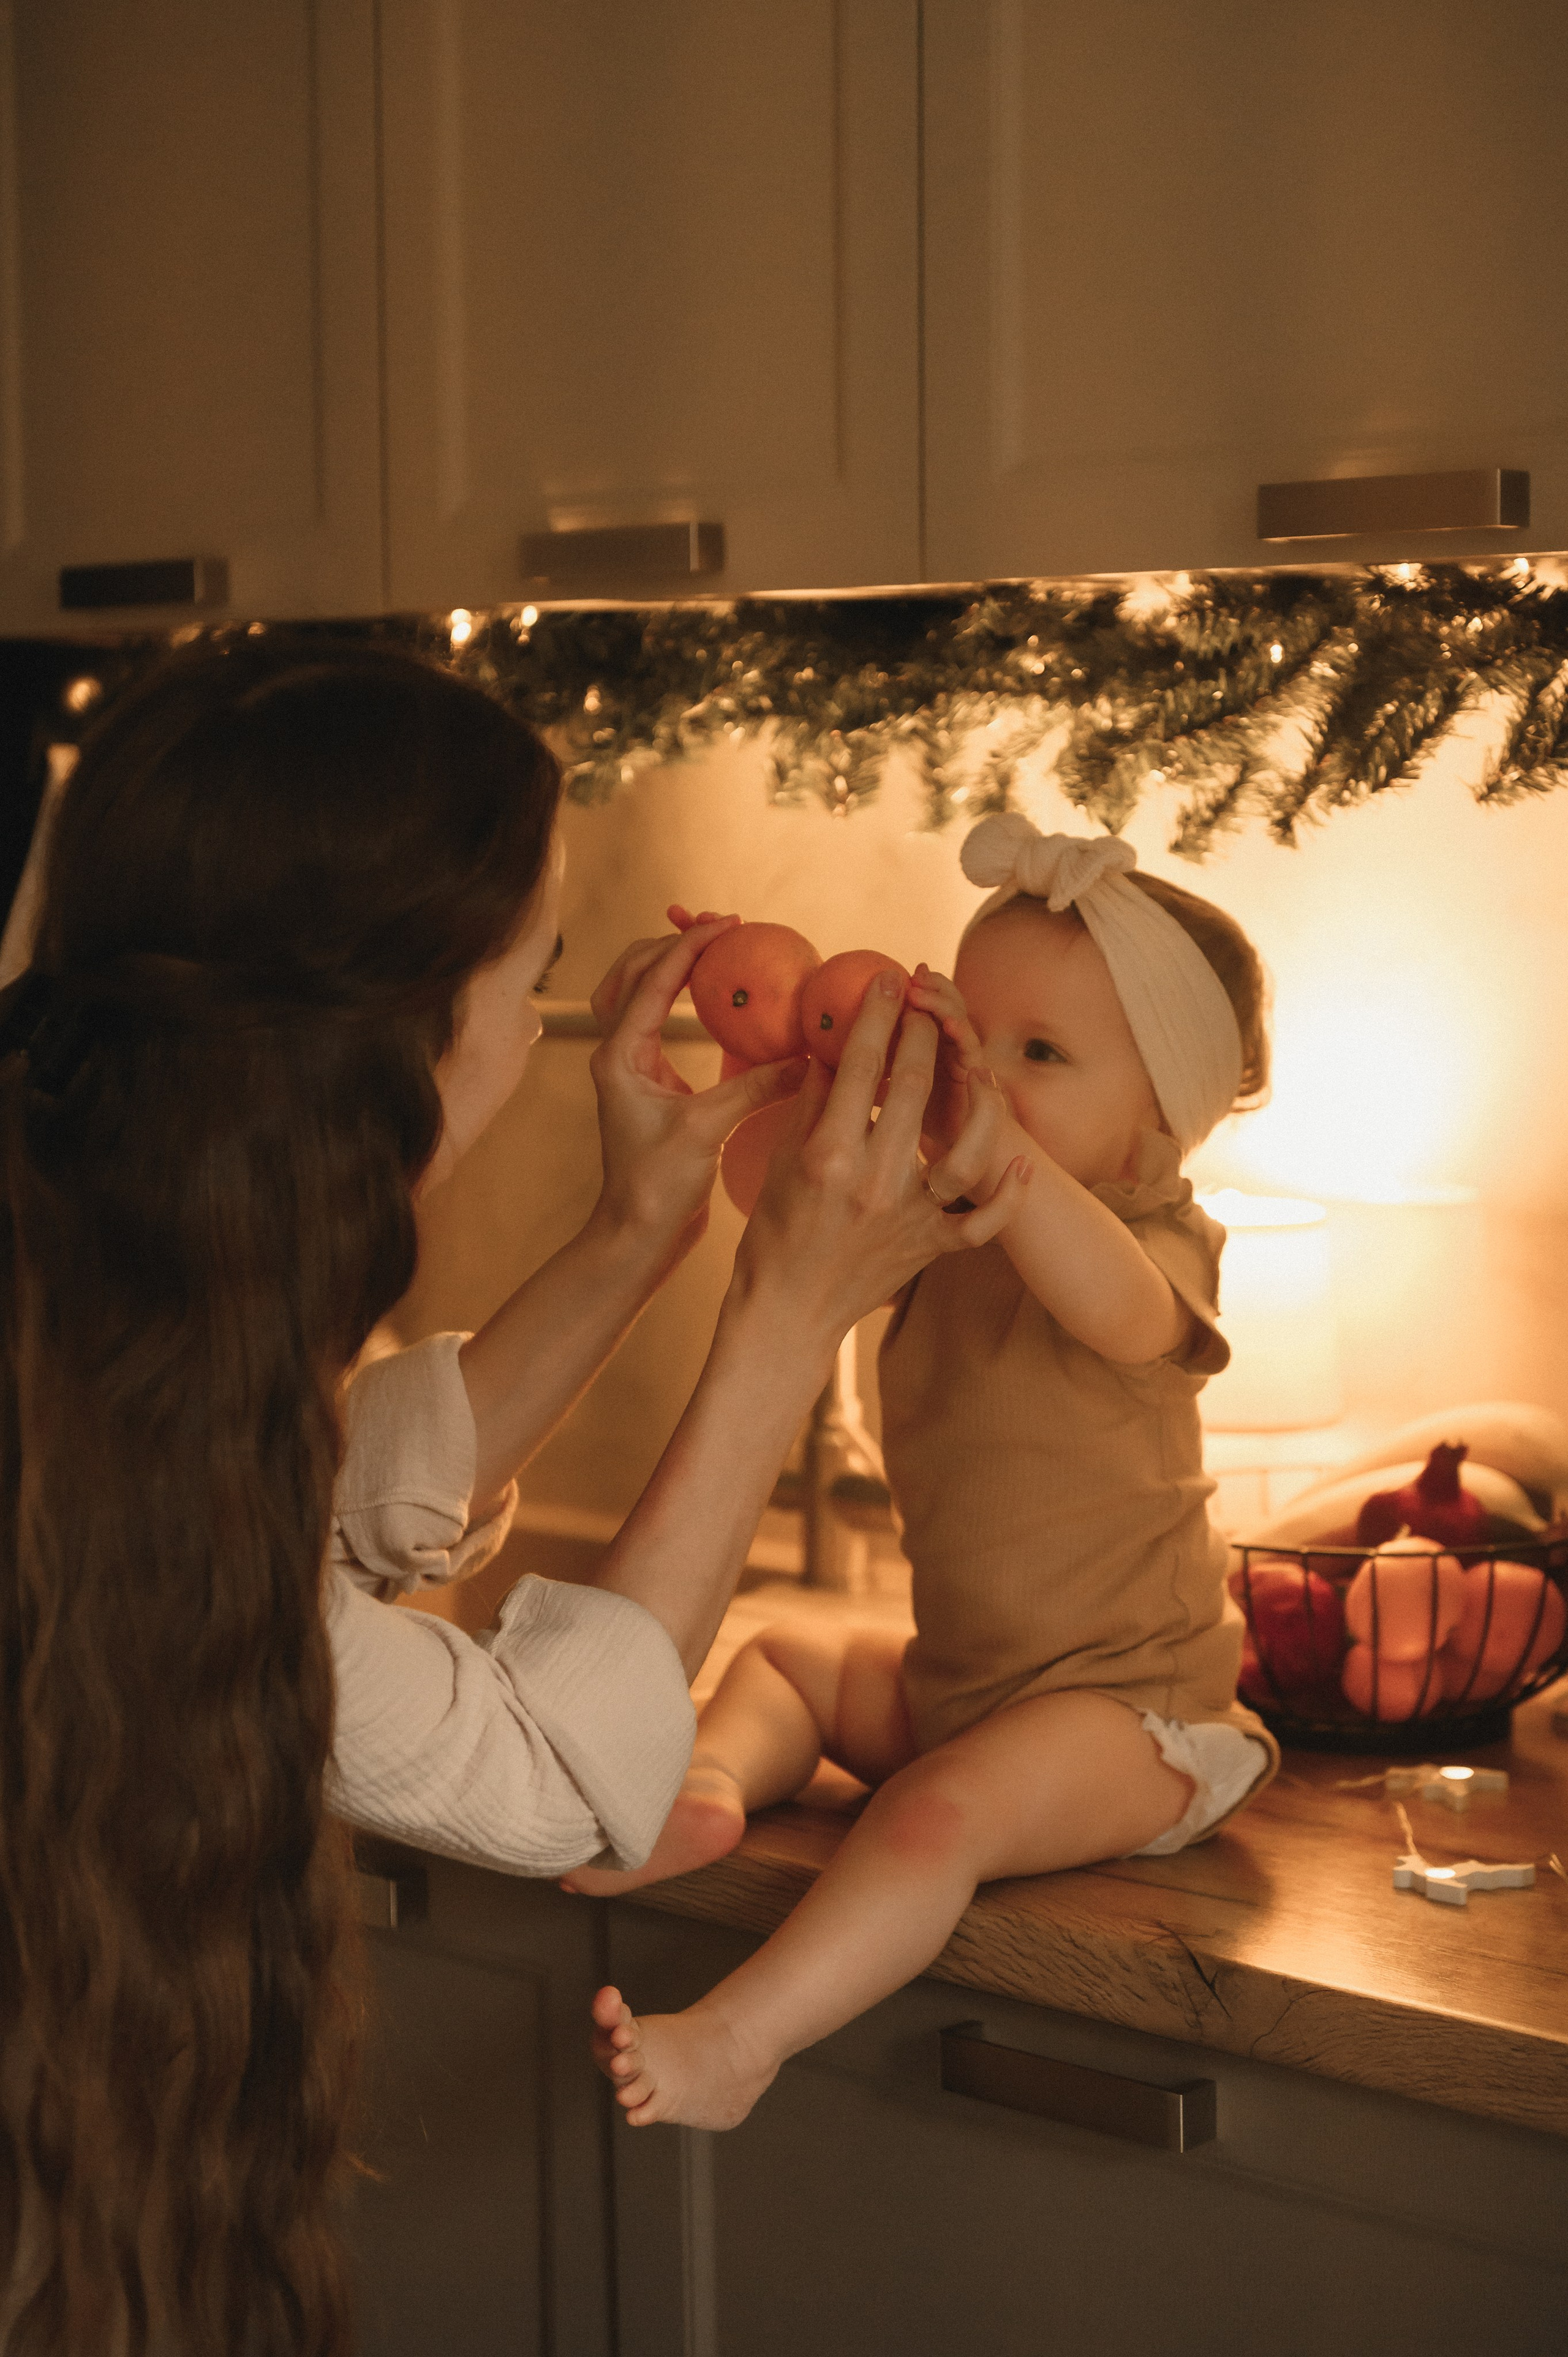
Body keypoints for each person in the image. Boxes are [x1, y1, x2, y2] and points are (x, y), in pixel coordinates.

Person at [0, 639, 1022, 2356]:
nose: (546, 1017)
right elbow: (563, 1772)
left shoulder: (85, 1267)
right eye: (537, 969)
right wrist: (787, 1317)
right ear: (415, 1023)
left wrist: (640, 1239)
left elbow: (294, 1516)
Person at [575, 814, 1281, 2132]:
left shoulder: (1153, 1239)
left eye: (1040, 1056)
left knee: (928, 1815)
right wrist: (764, 1050)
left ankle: (739, 2039)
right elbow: (766, 1181)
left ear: (1156, 1126)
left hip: (1127, 1716)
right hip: (963, 1683)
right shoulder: (944, 1225)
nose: (986, 1086)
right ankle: (711, 1792)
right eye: (969, 1040)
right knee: (786, 1655)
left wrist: (996, 1150)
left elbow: (1121, 1310)